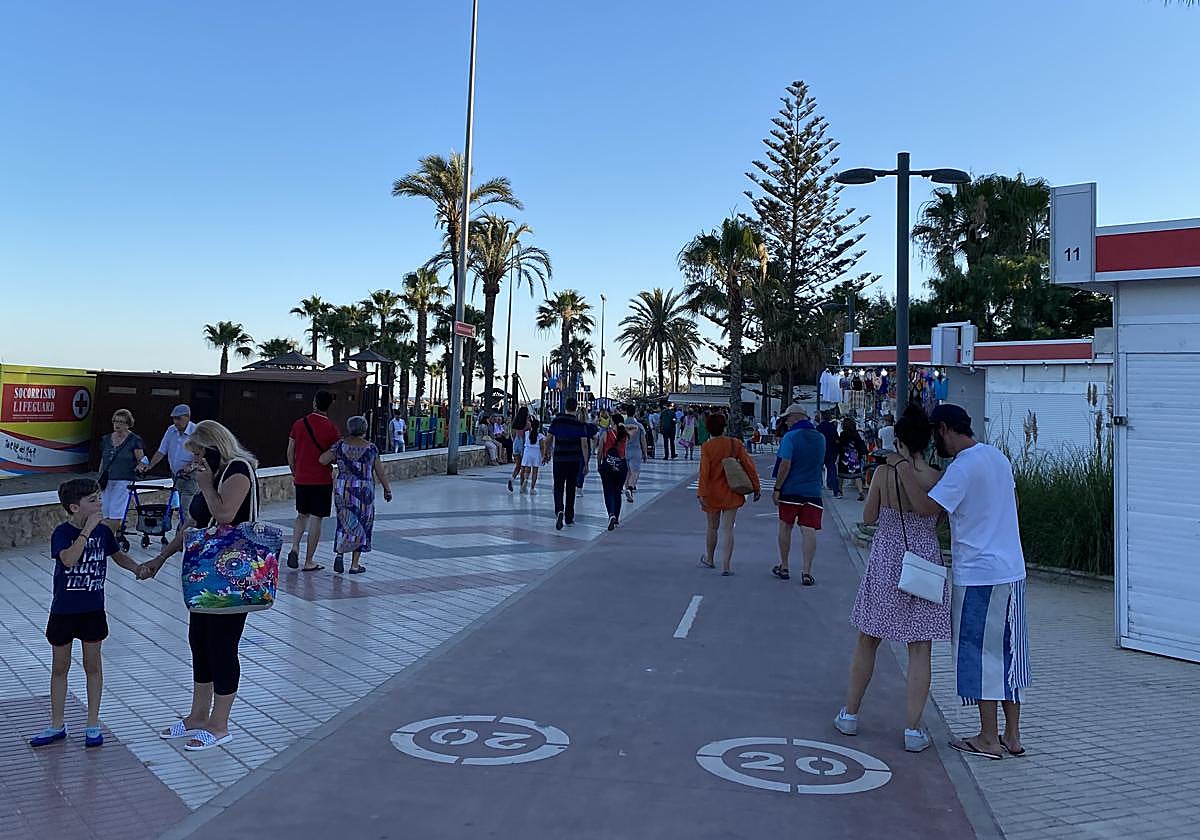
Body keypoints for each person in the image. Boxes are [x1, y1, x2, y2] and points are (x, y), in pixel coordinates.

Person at [891, 403, 1031, 760]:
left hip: (978, 576)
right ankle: (1012, 735)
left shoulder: (961, 468)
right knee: (1010, 653)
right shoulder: (997, 457)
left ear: (944, 429)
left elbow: (927, 509)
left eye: (935, 434)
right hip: (1012, 571)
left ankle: (987, 738)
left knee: (977, 654)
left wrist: (903, 466)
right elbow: (1013, 501)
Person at [141, 420, 260, 751]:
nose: (194, 462)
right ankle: (197, 715)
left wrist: (206, 485)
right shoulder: (212, 474)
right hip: (206, 576)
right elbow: (193, 524)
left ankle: (220, 724)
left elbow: (225, 515)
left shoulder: (237, 469)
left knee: (222, 646)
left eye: (197, 455)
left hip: (231, 577)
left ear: (213, 448)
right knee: (200, 642)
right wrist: (161, 558)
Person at [835, 405, 948, 754]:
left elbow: (869, 516)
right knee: (920, 647)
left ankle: (850, 715)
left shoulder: (884, 473)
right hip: (924, 563)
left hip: (886, 559)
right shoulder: (937, 477)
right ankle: (913, 730)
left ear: (897, 440)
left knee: (868, 639)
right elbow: (938, 520)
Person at [29, 479, 142, 749]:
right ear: (74, 507)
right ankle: (57, 723)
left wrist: (138, 569)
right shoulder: (62, 533)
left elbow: (117, 555)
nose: (99, 504)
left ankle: (93, 723)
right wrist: (87, 530)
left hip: (92, 610)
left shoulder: (103, 532)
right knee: (60, 667)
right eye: (92, 500)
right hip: (64, 610)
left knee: (93, 666)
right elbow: (68, 560)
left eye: (99, 498)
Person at [320, 415, 392, 574]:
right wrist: (387, 489)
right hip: (364, 491)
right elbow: (380, 471)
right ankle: (354, 565)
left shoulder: (340, 446)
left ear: (349, 428)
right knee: (362, 523)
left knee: (344, 521)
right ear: (364, 429)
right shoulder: (371, 448)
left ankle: (340, 554)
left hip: (343, 489)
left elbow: (322, 460)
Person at [697, 412, 761, 576]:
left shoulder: (707, 447)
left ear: (708, 429)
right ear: (724, 427)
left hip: (712, 493)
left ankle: (710, 559)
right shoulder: (735, 444)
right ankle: (726, 566)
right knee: (728, 529)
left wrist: (701, 493)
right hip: (732, 491)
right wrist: (756, 486)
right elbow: (748, 465)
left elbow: (704, 472)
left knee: (712, 527)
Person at [772, 405, 825, 586]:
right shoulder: (820, 438)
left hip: (790, 490)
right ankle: (807, 571)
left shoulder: (790, 437)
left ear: (794, 418)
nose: (786, 422)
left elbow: (785, 464)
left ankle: (784, 566)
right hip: (813, 491)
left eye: (787, 419)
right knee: (809, 530)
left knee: (785, 526)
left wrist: (777, 488)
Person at [287, 390, 339, 572]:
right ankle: (309, 561)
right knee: (316, 519)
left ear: (315, 403)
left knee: (302, 515)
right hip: (322, 480)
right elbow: (334, 455)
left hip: (302, 478)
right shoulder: (332, 429)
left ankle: (294, 547)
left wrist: (295, 472)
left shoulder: (299, 424)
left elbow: (290, 451)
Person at [139, 404, 198, 533]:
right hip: (176, 475)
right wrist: (150, 466)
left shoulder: (196, 432)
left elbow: (200, 453)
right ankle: (182, 532)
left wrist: (191, 465)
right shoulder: (171, 430)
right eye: (174, 418)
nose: (176, 422)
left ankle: (184, 535)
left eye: (179, 418)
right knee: (182, 507)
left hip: (191, 476)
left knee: (185, 507)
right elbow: (162, 451)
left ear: (187, 417)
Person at [98, 409, 146, 536]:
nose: (117, 424)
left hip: (124, 479)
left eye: (121, 422)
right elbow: (103, 459)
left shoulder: (134, 440)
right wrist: (99, 476)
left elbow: (143, 460)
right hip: (107, 479)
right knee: (104, 509)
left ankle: (110, 536)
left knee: (116, 509)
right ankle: (107, 535)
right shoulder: (106, 439)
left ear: (128, 424)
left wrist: (140, 467)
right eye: (115, 421)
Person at [545, 397, 590, 530]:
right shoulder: (579, 423)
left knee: (558, 486)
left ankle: (559, 510)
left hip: (559, 458)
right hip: (574, 459)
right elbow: (584, 444)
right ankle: (569, 517)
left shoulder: (557, 421)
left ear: (565, 407)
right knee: (571, 487)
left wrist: (545, 453)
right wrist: (586, 462)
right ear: (576, 408)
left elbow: (548, 438)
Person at [597, 413, 630, 530]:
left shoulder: (605, 434)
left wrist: (599, 464)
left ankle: (611, 514)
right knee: (617, 491)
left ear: (613, 422)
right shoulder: (625, 435)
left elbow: (600, 451)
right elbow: (635, 428)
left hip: (608, 466)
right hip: (621, 466)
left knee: (608, 491)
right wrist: (623, 426)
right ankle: (616, 518)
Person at [838, 417, 869, 501]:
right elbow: (860, 445)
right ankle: (861, 491)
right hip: (855, 457)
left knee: (841, 475)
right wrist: (862, 455)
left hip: (844, 457)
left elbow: (840, 445)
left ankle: (840, 491)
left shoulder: (843, 434)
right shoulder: (856, 434)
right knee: (857, 475)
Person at [621, 406, 647, 502]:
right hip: (636, 450)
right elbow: (643, 440)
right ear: (635, 412)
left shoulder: (622, 425)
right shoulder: (639, 426)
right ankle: (630, 488)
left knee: (627, 472)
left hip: (624, 450)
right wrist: (645, 453)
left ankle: (627, 489)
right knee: (635, 472)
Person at [816, 411, 842, 498]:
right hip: (831, 452)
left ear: (821, 417)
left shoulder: (818, 427)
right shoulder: (832, 427)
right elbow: (837, 440)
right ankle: (836, 490)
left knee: (818, 470)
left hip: (820, 452)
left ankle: (818, 487)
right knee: (832, 470)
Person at [519, 417, 545, 494]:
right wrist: (543, 456)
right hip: (536, 453)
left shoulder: (527, 433)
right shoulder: (540, 436)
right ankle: (532, 488)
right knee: (535, 471)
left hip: (527, 452)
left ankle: (525, 480)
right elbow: (542, 447)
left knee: (527, 469)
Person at [507, 406, 530, 493]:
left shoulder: (515, 423)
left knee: (517, 466)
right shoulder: (527, 424)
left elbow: (512, 434)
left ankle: (512, 479)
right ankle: (522, 486)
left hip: (516, 442)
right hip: (523, 444)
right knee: (523, 466)